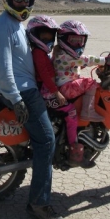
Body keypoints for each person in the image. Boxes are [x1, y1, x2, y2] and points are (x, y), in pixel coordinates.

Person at [0, 0, 63, 219]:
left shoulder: (16, 24)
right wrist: (16, 99)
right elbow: (2, 68)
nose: (23, 5)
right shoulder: (3, 27)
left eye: (27, 0)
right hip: (22, 92)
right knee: (46, 141)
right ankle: (38, 204)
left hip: (25, 88)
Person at [26, 15, 92, 168]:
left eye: (50, 35)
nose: (47, 38)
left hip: (46, 89)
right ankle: (74, 150)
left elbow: (54, 69)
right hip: (48, 92)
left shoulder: (41, 52)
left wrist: (77, 67)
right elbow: (46, 76)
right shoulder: (39, 54)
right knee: (71, 113)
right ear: (35, 35)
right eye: (43, 35)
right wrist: (56, 93)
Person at [54, 20, 110, 123]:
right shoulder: (66, 56)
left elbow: (74, 65)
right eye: (73, 40)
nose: (77, 44)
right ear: (63, 39)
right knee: (90, 83)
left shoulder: (59, 53)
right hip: (67, 89)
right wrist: (105, 60)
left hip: (62, 87)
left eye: (80, 41)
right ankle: (88, 112)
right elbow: (87, 59)